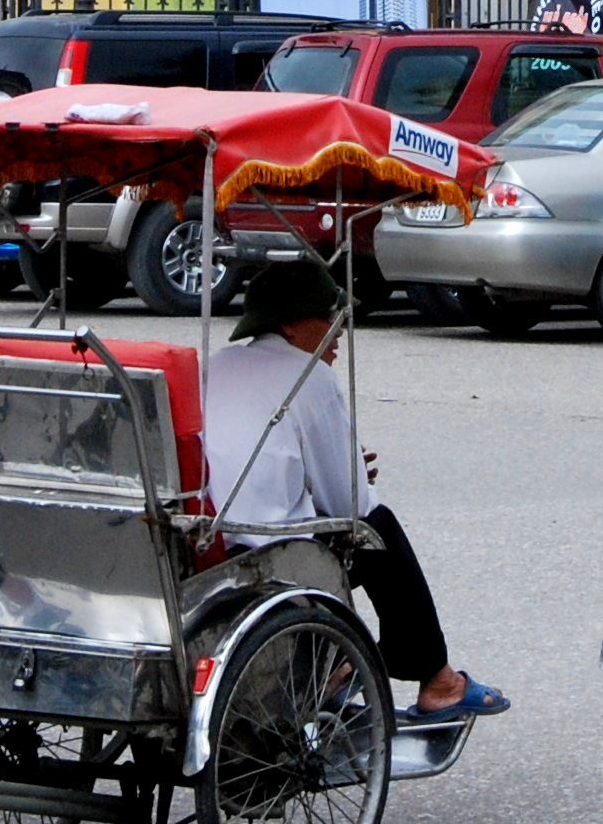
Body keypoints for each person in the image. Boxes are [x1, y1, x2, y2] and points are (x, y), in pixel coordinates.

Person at [202, 257, 506, 725]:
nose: (338, 332)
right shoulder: (310, 378)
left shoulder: (218, 366)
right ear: (290, 325)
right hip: (273, 552)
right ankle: (437, 680)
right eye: (329, 318)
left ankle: (337, 668)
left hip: (213, 541)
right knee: (377, 526)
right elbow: (350, 504)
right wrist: (353, 478)